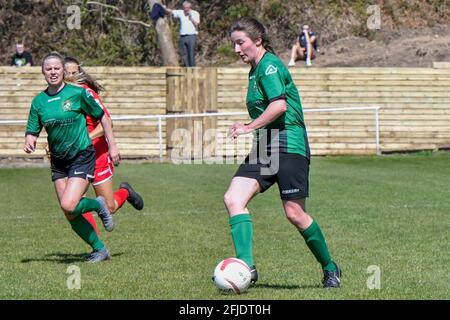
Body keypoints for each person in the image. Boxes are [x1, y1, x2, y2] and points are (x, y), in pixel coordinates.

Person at [226, 17, 341, 288]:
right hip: (266, 146)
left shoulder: (269, 67)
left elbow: (279, 107)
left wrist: (247, 127)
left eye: (241, 43)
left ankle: (330, 267)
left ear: (258, 40)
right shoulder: (254, 70)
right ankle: (246, 269)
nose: (237, 49)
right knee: (233, 198)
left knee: (295, 214)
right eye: (234, 44)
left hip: (289, 145)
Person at [24, 52, 119, 263]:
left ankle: (99, 205)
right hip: (59, 161)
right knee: (70, 213)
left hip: (81, 156)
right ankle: (100, 249)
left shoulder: (77, 93)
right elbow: (33, 129)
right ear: (43, 72)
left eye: (56, 68)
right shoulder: (39, 101)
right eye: (48, 69)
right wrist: (29, 139)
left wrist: (112, 145)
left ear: (63, 71)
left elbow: (102, 115)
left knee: (68, 204)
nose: (53, 72)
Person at [63, 56, 144, 231]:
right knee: (75, 202)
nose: (70, 76)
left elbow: (106, 122)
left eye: (74, 72)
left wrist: (86, 140)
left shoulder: (86, 93)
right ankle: (97, 246)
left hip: (98, 154)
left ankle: (125, 192)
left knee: (109, 207)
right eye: (66, 73)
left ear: (79, 73)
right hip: (77, 158)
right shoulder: (61, 97)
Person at [162, 1, 200, 67]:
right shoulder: (181, 12)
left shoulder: (195, 13)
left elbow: (197, 24)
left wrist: (191, 18)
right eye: (185, 8)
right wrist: (164, 8)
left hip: (191, 36)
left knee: (191, 53)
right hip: (183, 36)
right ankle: (186, 68)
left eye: (187, 8)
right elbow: (171, 11)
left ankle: (192, 69)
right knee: (183, 54)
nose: (186, 9)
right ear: (183, 7)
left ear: (190, 7)